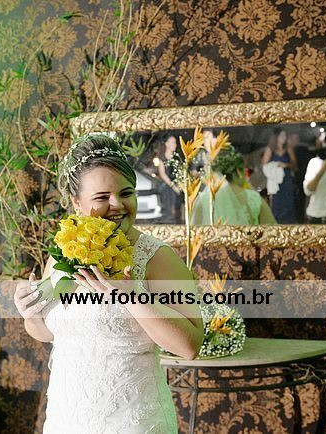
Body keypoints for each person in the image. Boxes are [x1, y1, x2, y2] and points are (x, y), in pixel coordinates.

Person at [13, 134, 203, 433]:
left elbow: (189, 346)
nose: (117, 205)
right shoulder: (64, 251)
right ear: (77, 203)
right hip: (66, 417)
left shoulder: (158, 258)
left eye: (126, 193)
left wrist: (132, 298)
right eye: (102, 198)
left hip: (131, 421)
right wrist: (30, 313)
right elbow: (49, 333)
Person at [191, 146, 276, 225]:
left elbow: (192, 232)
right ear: (239, 172)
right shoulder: (254, 199)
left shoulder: (202, 201)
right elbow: (272, 230)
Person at [261, 128, 298, 223]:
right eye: (282, 135)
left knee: (289, 205)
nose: (284, 137)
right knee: (277, 207)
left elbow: (295, 166)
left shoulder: (289, 149)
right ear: (276, 137)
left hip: (287, 180)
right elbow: (264, 167)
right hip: (276, 182)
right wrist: (275, 165)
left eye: (285, 135)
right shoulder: (270, 149)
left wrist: (285, 165)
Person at [156, 135, 183, 223]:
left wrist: (180, 184)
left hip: (177, 187)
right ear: (167, 144)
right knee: (169, 213)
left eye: (175, 142)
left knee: (178, 211)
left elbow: (180, 173)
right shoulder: (161, 158)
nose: (175, 144)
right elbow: (162, 174)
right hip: (167, 187)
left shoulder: (177, 158)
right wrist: (173, 186)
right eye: (172, 142)